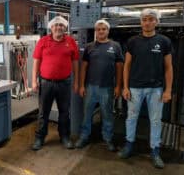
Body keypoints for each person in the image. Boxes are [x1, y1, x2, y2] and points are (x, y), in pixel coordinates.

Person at [118, 9, 173, 169]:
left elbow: (169, 68)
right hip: (135, 88)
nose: (147, 22)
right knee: (131, 117)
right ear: (141, 22)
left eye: (150, 19)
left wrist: (168, 90)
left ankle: (155, 151)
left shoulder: (164, 41)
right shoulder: (133, 41)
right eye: (144, 19)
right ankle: (129, 145)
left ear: (156, 21)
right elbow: (127, 66)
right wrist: (125, 87)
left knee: (155, 121)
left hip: (156, 89)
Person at [75, 20, 124, 151]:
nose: (101, 31)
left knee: (107, 114)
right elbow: (83, 67)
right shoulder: (89, 47)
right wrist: (81, 85)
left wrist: (119, 86)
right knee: (87, 114)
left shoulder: (115, 46)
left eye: (103, 29)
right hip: (90, 87)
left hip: (107, 88)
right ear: (95, 31)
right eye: (98, 29)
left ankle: (107, 138)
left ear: (108, 31)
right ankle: (84, 136)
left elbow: (120, 67)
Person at [31, 16, 79, 151]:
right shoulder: (43, 41)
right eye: (56, 25)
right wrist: (34, 80)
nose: (58, 27)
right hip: (46, 83)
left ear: (65, 28)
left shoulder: (71, 42)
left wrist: (76, 82)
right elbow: (36, 62)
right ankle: (40, 137)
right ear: (51, 28)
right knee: (43, 112)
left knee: (64, 112)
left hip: (65, 83)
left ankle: (64, 137)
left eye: (61, 25)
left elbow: (75, 63)